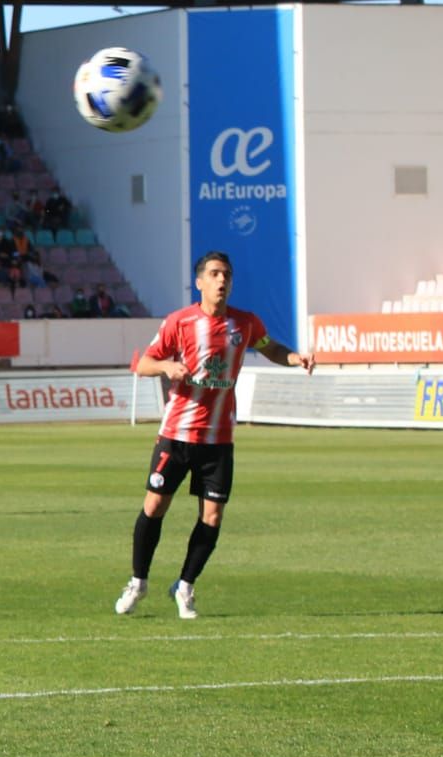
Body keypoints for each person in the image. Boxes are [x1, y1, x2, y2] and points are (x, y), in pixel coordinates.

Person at [114, 252, 315, 620]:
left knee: (212, 517)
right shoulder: (180, 322)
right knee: (154, 507)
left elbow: (270, 347)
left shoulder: (245, 323)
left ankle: (185, 586)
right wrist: (166, 366)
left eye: (226, 275)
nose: (222, 280)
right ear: (200, 283)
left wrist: (295, 358)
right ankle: (138, 581)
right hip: (176, 434)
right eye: (214, 274)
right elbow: (142, 364)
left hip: (219, 440)